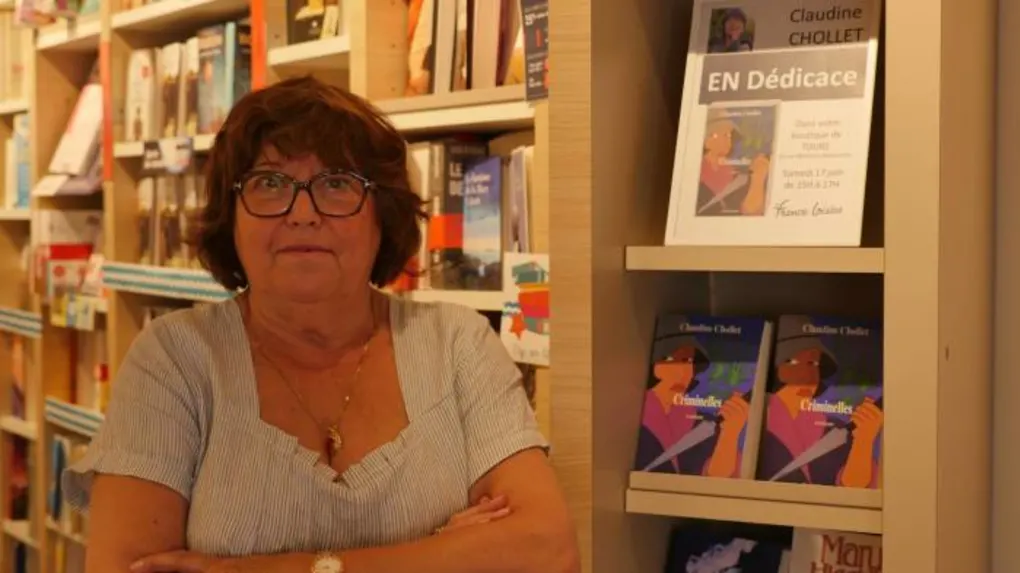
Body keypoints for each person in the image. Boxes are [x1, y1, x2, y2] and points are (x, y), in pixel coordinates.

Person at [63, 76, 579, 573]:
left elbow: (547, 552)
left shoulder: (458, 344)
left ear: (382, 215)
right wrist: (443, 552)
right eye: (269, 183)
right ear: (230, 216)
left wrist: (272, 569)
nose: (303, 213)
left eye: (336, 183)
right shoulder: (174, 359)